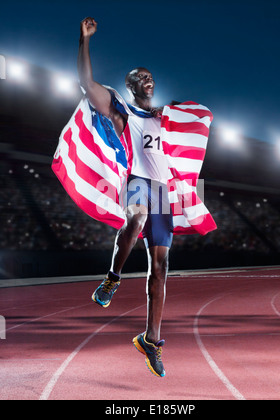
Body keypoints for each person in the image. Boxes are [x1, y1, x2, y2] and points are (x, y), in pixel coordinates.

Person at [78, 17, 173, 377]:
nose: (148, 79)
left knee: (161, 268)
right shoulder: (124, 112)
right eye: (140, 77)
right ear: (130, 85)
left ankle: (151, 339)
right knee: (136, 218)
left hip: (164, 190)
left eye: (150, 76)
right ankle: (113, 278)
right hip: (138, 181)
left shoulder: (166, 118)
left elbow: (189, 128)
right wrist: (83, 40)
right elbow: (86, 83)